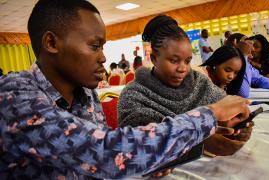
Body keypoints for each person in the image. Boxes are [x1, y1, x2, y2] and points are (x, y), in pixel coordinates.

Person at [0, 0, 250, 179]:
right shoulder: (13, 97)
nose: (102, 57)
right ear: (52, 43)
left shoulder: (84, 93)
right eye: (94, 46)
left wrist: (152, 162)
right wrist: (209, 116)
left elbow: (99, 163)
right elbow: (106, 153)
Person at [118, 15, 253, 158]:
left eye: (187, 61)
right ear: (154, 59)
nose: (182, 68)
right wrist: (200, 142)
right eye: (174, 60)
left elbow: (226, 105)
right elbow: (137, 146)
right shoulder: (133, 95)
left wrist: (238, 124)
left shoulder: (199, 81)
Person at [226, 33, 269, 98]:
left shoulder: (248, 65)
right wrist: (243, 55)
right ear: (235, 46)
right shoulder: (229, 65)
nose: (252, 49)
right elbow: (243, 93)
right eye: (248, 44)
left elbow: (258, 79)